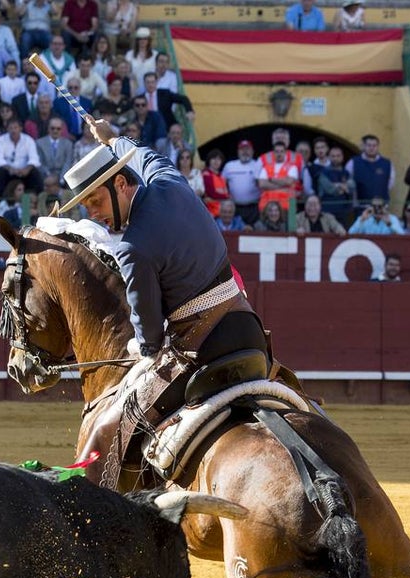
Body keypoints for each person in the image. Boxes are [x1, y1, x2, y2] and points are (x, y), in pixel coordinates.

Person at [61, 115, 266, 387]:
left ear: (121, 184)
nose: (94, 214)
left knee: (132, 422)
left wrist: (141, 348)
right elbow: (141, 155)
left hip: (204, 354)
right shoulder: (169, 178)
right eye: (87, 207)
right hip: (250, 331)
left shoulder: (133, 248)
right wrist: (112, 138)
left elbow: (150, 339)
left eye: (96, 201)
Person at [222, 139, 261, 226]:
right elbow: (222, 184)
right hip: (234, 207)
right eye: (242, 149)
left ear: (252, 151)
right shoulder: (229, 166)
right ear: (238, 151)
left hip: (253, 207)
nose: (245, 152)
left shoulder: (258, 165)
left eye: (247, 149)